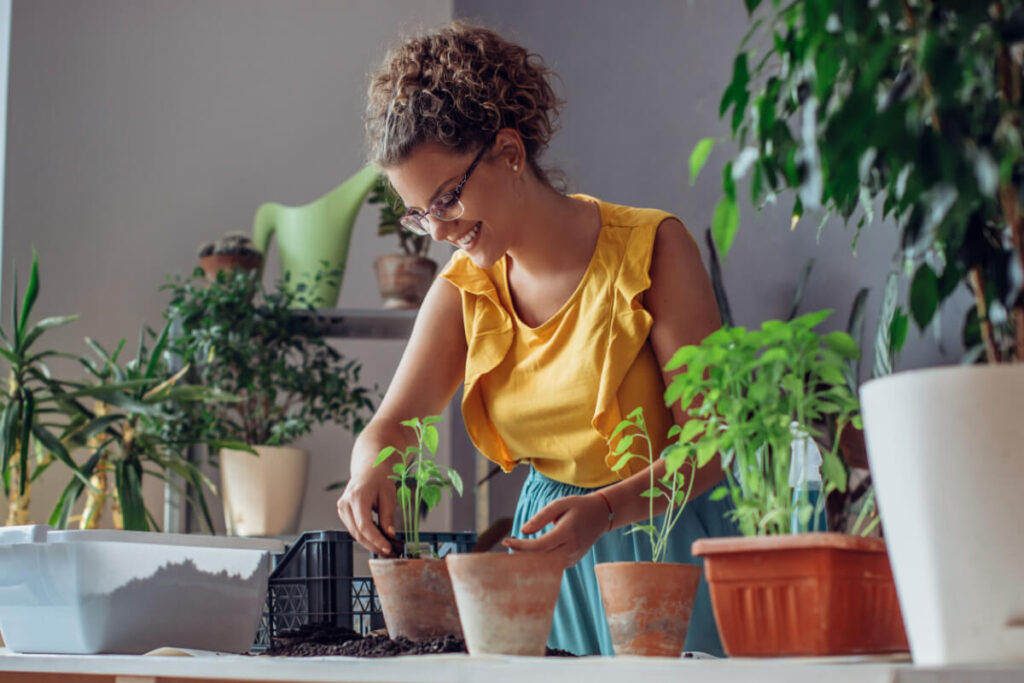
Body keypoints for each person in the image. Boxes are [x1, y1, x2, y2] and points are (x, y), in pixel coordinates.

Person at [336, 21, 737, 657]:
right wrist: (367, 471)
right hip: (548, 556)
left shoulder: (653, 248)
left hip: (665, 543)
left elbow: (713, 446)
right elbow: (388, 427)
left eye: (446, 200)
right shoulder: (464, 290)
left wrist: (606, 511)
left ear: (508, 152)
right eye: (418, 213)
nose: (438, 233)